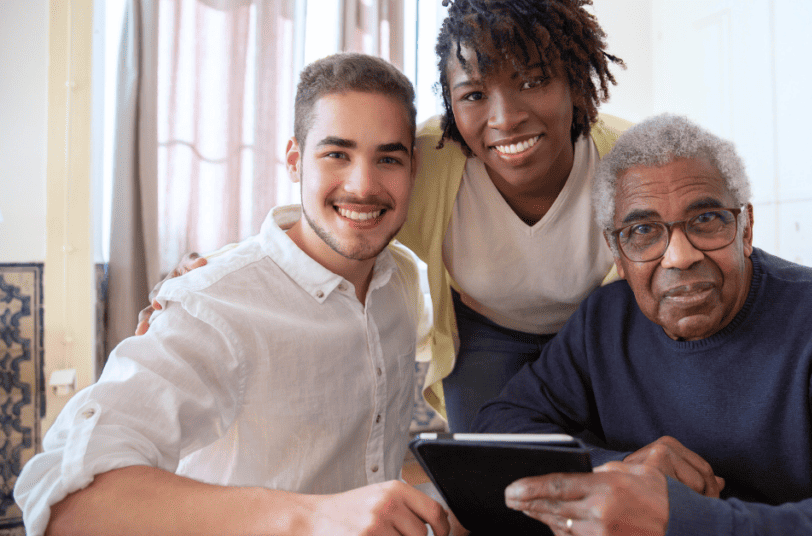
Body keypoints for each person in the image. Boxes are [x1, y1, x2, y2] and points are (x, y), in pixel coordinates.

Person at [138, 0, 629, 433]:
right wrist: (216, 271)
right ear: (453, 103)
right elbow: (338, 211)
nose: (504, 117)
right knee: (493, 472)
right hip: (488, 334)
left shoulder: (630, 162)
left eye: (533, 80)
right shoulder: (429, 159)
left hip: (601, 331)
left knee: (613, 453)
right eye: (475, 95)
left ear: (576, 85)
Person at [14, 53, 451, 536]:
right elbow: (65, 504)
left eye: (388, 158)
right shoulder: (211, 304)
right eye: (336, 154)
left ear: (413, 170)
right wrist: (310, 515)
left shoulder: (405, 282)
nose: (363, 185)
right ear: (294, 160)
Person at [472, 114, 812, 535]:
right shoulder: (605, 320)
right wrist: (618, 468)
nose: (680, 256)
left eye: (707, 219)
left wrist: (686, 520)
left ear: (746, 229)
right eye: (643, 231)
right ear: (616, 253)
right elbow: (500, 427)